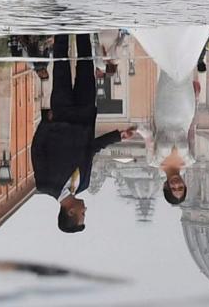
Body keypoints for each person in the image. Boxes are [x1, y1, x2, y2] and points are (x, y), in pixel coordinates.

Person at [31, 33, 135, 233]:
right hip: (85, 115)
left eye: (82, 214)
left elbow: (37, 150)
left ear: (71, 212)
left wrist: (46, 122)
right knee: (85, 61)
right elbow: (90, 149)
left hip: (61, 116)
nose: (85, 209)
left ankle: (62, 23)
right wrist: (117, 136)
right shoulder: (83, 184)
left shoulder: (45, 184)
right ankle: (81, 25)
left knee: (61, 63)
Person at [133, 26, 209, 208]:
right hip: (185, 111)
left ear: (166, 187)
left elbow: (148, 136)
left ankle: (167, 32)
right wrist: (196, 99)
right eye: (181, 188)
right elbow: (193, 130)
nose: (177, 185)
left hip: (165, 111)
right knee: (185, 69)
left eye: (174, 188)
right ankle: (185, 33)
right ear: (184, 185)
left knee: (168, 72)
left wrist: (135, 130)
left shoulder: (153, 161)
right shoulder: (190, 160)